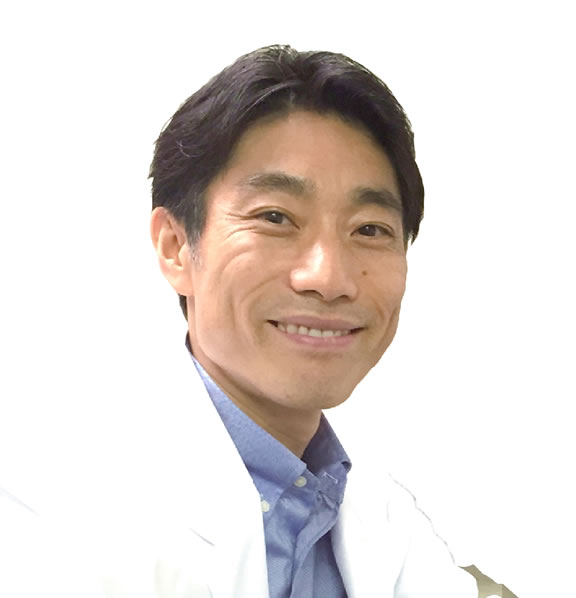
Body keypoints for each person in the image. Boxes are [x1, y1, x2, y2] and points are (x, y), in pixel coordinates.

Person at [144, 44, 479, 597]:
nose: (328, 277)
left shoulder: (384, 526)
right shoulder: (51, 508)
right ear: (176, 247)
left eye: (369, 229)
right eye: (276, 218)